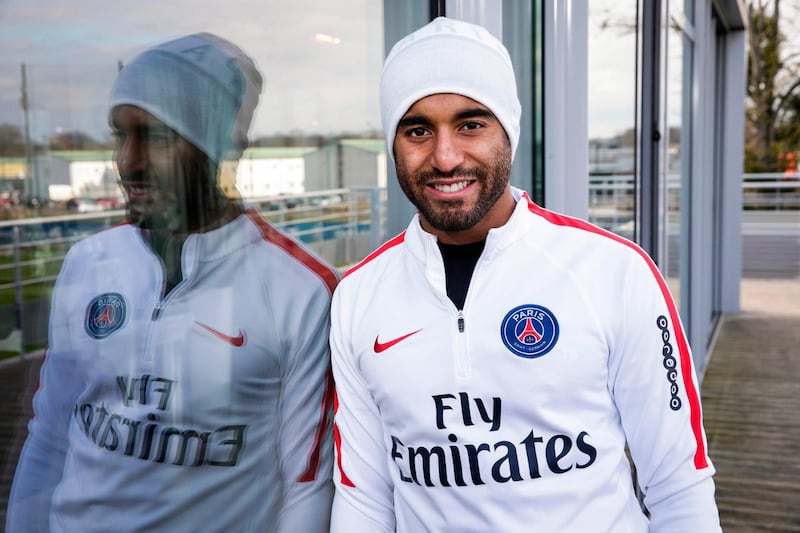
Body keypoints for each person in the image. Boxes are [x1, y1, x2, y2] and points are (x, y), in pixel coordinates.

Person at [330, 17, 721, 532]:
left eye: (471, 124)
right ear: (393, 142)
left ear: (508, 131)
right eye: (418, 130)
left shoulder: (612, 272)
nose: (445, 157)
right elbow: (363, 499)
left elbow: (678, 483)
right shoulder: (359, 296)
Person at [7, 33, 337, 532]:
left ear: (220, 148)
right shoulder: (89, 262)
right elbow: (50, 434)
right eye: (121, 135)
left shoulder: (302, 290)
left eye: (157, 137)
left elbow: (306, 485)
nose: (128, 162)